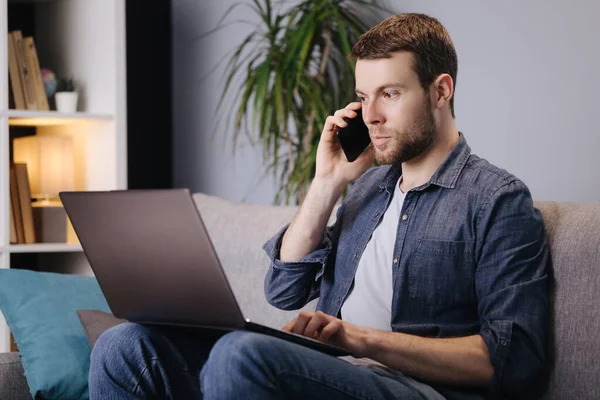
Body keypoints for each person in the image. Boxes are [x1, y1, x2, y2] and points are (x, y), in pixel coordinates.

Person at [89, 13, 549, 400]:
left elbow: (514, 362)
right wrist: (327, 182)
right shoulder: (368, 189)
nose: (370, 116)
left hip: (414, 388)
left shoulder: (496, 200)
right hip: (327, 372)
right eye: (364, 97)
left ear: (440, 91)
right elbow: (284, 290)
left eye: (389, 94)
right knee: (125, 345)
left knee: (240, 355)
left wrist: (358, 338)